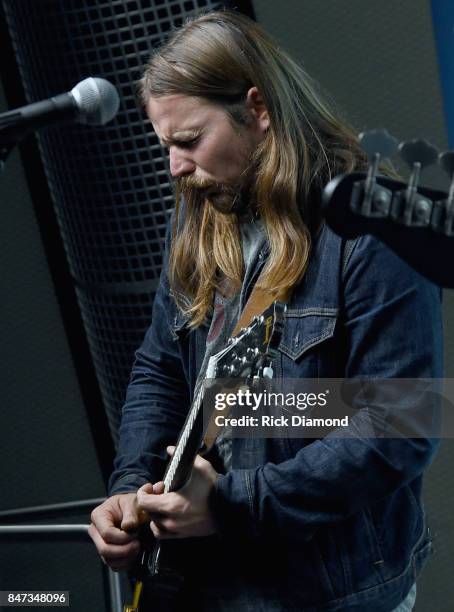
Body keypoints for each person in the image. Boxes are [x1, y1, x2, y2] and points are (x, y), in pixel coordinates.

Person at [88, 10, 442, 611]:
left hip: (333, 593)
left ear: (258, 109)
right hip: (211, 586)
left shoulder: (373, 227)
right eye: (165, 146)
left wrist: (230, 504)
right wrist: (129, 488)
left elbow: (401, 423)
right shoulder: (197, 215)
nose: (174, 168)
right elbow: (158, 369)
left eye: (188, 141)